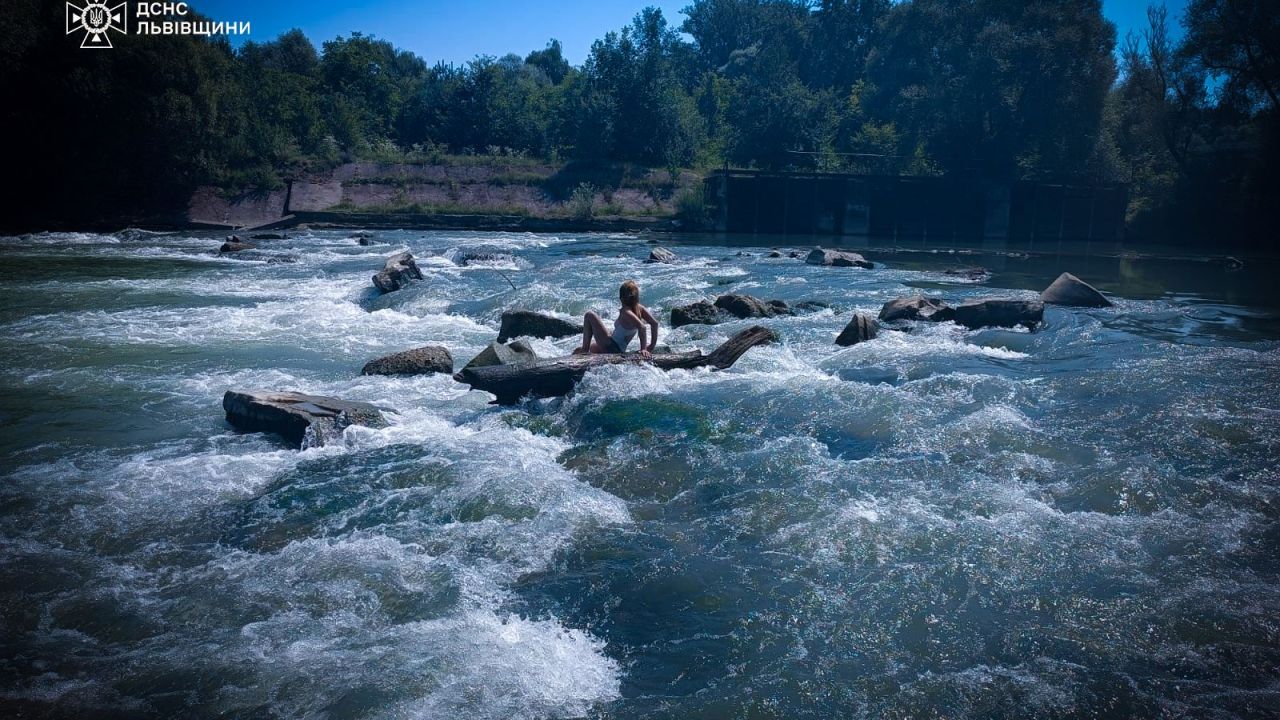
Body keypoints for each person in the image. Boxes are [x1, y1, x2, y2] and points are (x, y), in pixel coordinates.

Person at [574, 280, 659, 357]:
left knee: (589, 315)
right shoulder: (640, 308)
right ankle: (583, 352)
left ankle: (584, 350)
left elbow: (642, 327)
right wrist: (651, 346)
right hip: (618, 349)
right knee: (589, 348)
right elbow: (654, 323)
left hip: (611, 347)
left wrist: (643, 348)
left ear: (621, 299)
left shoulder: (625, 311)